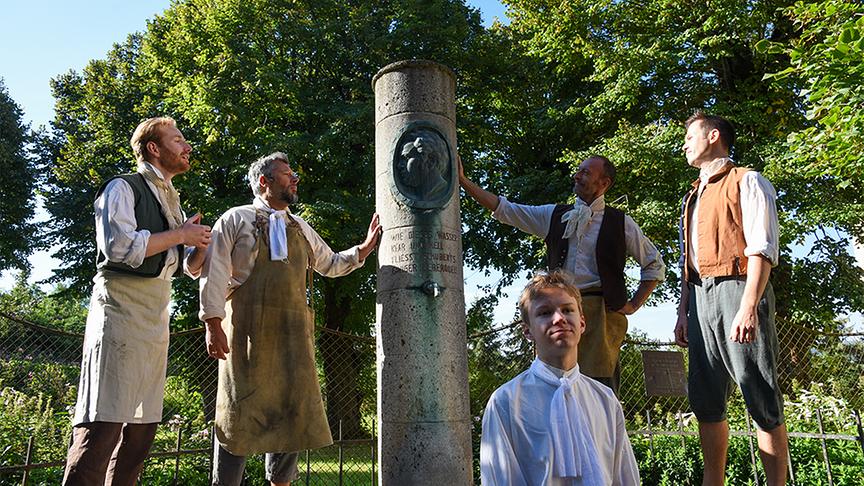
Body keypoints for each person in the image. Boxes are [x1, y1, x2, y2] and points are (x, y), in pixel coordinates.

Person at [199, 152, 381, 486]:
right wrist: (212, 322)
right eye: (287, 174)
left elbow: (330, 263)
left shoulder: (300, 227)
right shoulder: (235, 219)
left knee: (291, 415)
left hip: (294, 338)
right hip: (247, 336)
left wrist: (364, 250)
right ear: (263, 181)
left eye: (294, 174)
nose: (295, 179)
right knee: (237, 414)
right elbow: (213, 272)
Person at [63, 117, 211, 485]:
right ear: (154, 148)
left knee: (140, 437)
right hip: (121, 314)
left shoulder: (170, 200)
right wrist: (180, 232)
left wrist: (204, 246)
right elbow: (118, 248)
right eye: (178, 140)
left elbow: (185, 268)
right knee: (102, 429)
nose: (187, 146)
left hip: (155, 320)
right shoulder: (121, 188)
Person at [459, 155, 665, 392]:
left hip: (601, 315)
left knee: (598, 388)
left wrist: (633, 304)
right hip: (559, 311)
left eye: (586, 173)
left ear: (604, 183)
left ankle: (600, 429)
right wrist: (464, 182)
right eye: (579, 170)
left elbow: (654, 264)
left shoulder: (621, 222)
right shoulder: (555, 216)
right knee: (554, 382)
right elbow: (506, 209)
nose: (577, 176)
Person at [675, 112, 788, 485]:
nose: (685, 143)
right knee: (706, 400)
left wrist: (749, 305)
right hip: (699, 298)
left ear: (713, 135)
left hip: (738, 290)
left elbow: (762, 248)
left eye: (690, 136)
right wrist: (683, 312)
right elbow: (687, 263)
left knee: (760, 394)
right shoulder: (692, 194)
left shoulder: (749, 180)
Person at [480, 270, 640, 485]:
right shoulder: (506, 402)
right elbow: (500, 479)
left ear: (582, 323)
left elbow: (624, 476)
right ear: (527, 331)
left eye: (567, 310)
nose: (559, 319)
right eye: (545, 312)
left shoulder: (605, 399)